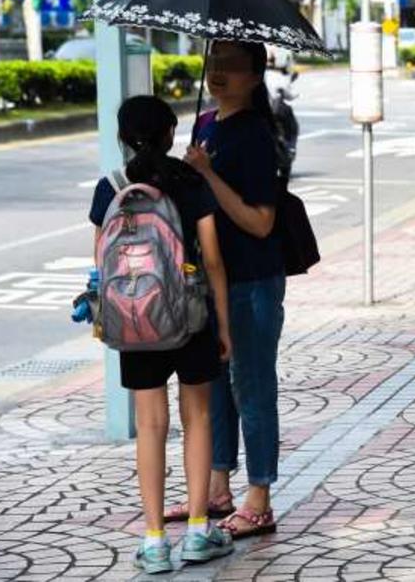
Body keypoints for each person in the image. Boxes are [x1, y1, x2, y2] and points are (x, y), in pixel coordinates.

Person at [89, 96, 234, 573]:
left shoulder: (110, 188)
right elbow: (212, 259)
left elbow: (102, 264)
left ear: (122, 136)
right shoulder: (188, 181)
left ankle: (153, 541)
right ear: (171, 134)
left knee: (150, 426)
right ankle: (197, 531)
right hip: (191, 318)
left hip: (137, 321)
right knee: (198, 419)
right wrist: (224, 325)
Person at [182, 40, 287, 539]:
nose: (219, 73)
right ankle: (217, 487)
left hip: (251, 283)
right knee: (215, 386)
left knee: (252, 387)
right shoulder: (206, 125)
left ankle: (259, 498)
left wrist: (206, 174)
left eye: (232, 66)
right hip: (211, 280)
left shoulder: (256, 136)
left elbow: (261, 222)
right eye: (214, 62)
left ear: (254, 76)